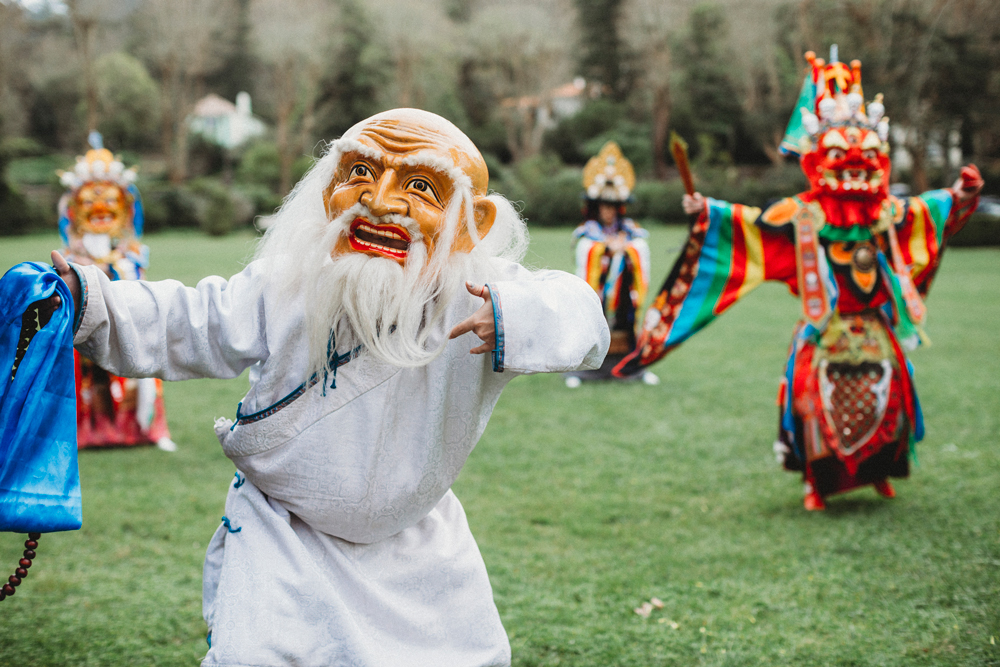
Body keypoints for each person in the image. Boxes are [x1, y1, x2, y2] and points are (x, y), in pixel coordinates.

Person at [51, 108, 609, 666]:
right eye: (361, 175)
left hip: (415, 540)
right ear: (329, 190)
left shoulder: (480, 294)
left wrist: (516, 317)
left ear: (472, 221)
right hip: (285, 532)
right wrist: (90, 300)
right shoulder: (289, 282)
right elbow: (195, 320)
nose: (380, 201)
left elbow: (582, 314)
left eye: (419, 186)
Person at [614, 50, 983, 510]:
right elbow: (750, 224)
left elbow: (928, 212)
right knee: (814, 404)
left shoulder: (888, 213)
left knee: (888, 400)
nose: (855, 164)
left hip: (875, 330)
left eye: (867, 155)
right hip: (824, 331)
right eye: (839, 154)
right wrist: (708, 210)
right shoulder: (801, 216)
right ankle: (818, 482)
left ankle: (878, 472)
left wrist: (959, 196)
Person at [56, 133, 176, 452]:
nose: (99, 207)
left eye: (110, 200)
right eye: (89, 201)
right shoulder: (69, 255)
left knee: (139, 370)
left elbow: (135, 280)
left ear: (124, 206)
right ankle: (90, 431)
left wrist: (111, 267)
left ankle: (144, 429)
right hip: (86, 333)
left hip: (126, 325)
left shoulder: (133, 251)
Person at [566, 141, 656, 387]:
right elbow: (585, 249)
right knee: (593, 324)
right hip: (599, 291)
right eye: (604, 206)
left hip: (624, 292)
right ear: (596, 207)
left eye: (613, 207)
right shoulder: (588, 230)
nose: (609, 212)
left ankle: (632, 369)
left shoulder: (629, 230)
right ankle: (581, 372)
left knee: (627, 325)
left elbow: (640, 246)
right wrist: (605, 248)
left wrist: (626, 249)